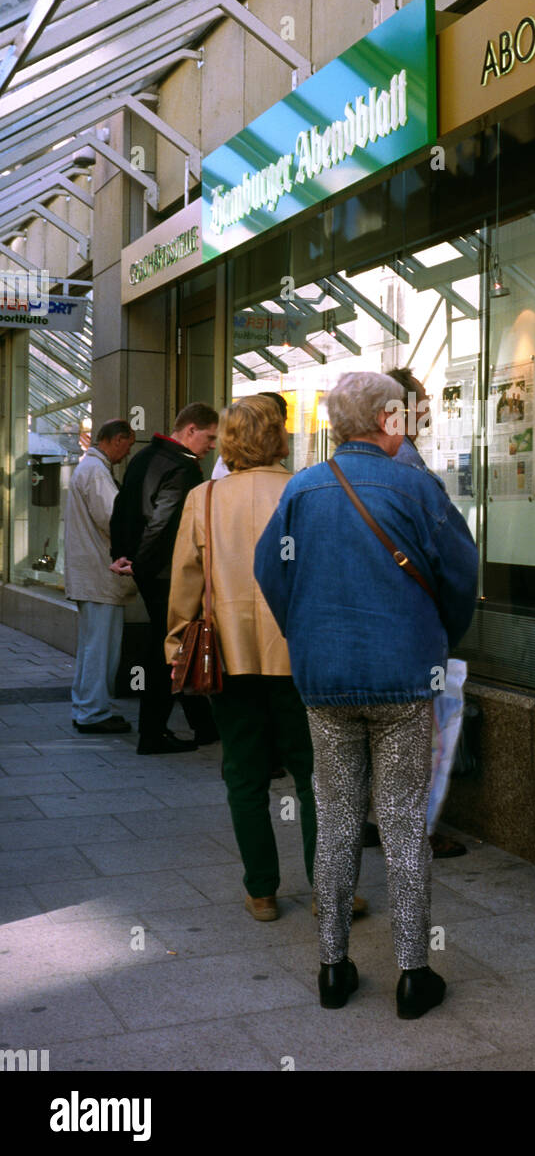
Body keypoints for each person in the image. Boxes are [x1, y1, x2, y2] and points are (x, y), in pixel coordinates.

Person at [254, 371, 479, 1018]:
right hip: (404, 679)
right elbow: (460, 575)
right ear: (386, 420)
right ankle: (413, 975)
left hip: (325, 682)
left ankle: (333, 967)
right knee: (405, 824)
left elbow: (271, 571)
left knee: (336, 819)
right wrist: (435, 637)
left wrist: (307, 634)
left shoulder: (301, 489)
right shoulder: (415, 487)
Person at [165, 395, 318, 923]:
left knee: (244, 775)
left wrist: (175, 645)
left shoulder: (203, 498)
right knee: (314, 774)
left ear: (225, 441)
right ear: (279, 438)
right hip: (297, 655)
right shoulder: (305, 492)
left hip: (227, 655)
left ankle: (262, 891)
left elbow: (185, 581)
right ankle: (329, 887)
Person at [387, 365, 468, 859]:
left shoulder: (356, 466)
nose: (430, 412)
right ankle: (417, 829)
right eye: (422, 403)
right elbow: (451, 558)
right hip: (415, 625)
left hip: (379, 629)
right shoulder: (411, 468)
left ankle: (389, 820)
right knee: (426, 737)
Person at [110, 402, 220, 755]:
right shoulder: (183, 469)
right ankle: (153, 734)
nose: (213, 446)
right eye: (209, 437)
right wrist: (140, 563)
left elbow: (122, 508)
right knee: (168, 650)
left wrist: (121, 554)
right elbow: (162, 522)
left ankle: (201, 726)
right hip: (167, 572)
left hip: (149, 570)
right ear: (190, 431)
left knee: (175, 644)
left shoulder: (143, 457)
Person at [64, 419, 137, 734]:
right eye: (129, 445)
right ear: (117, 440)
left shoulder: (89, 468)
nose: (127, 453)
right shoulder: (96, 471)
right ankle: (94, 713)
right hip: (99, 574)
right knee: (101, 648)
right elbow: (113, 518)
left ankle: (87, 707)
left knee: (92, 646)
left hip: (89, 574)